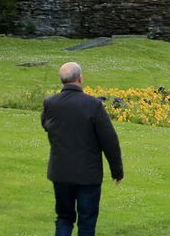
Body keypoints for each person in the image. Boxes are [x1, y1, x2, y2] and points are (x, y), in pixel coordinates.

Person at [42, 62, 124, 236]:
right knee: (86, 221)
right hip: (88, 174)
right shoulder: (93, 105)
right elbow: (109, 141)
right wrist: (117, 171)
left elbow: (46, 125)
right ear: (80, 78)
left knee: (64, 218)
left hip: (61, 172)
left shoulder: (51, 103)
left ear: (62, 81)